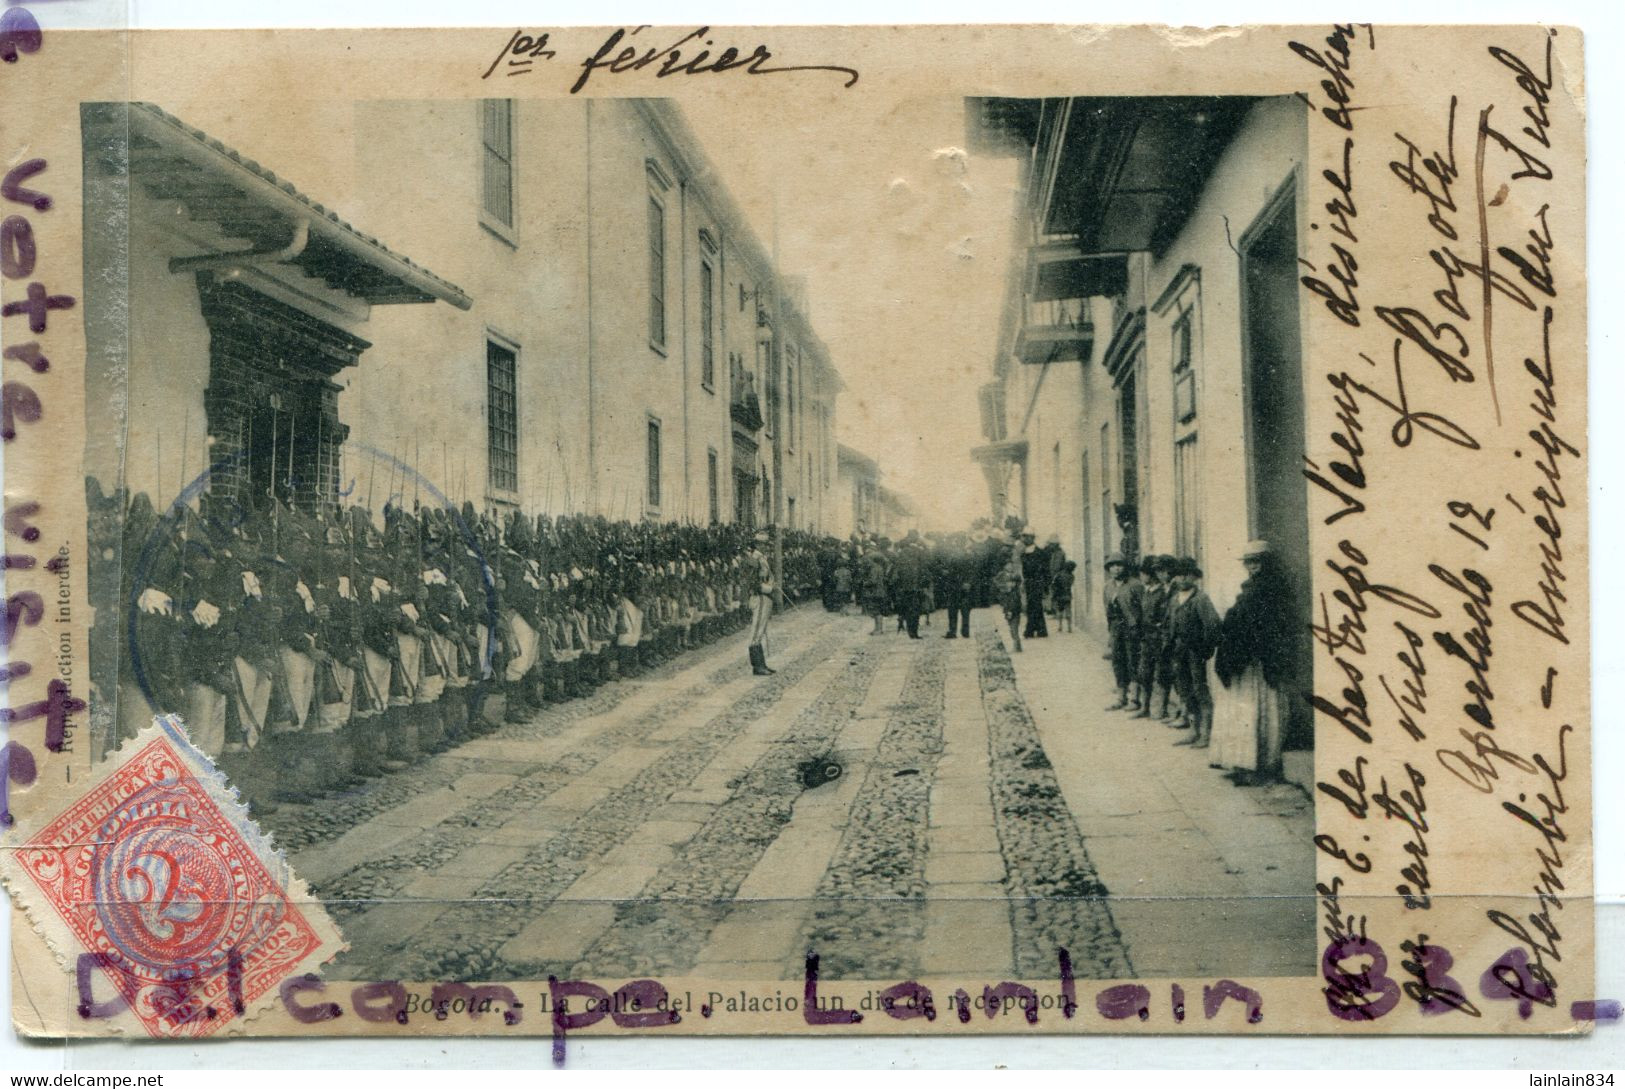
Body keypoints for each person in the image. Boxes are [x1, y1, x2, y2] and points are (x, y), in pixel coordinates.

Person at [1212, 540, 1294, 780]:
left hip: (1259, 657)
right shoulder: (1250, 587)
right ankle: (1242, 761)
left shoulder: (1271, 588)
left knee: (1257, 707)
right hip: (1246, 656)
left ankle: (1258, 764)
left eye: (1256, 561)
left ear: (1266, 562)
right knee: (1243, 709)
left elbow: (1266, 623)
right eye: (1248, 562)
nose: (1251, 566)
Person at [1167, 557, 1221, 747]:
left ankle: (1206, 733)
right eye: (1178, 575)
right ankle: (1193, 729)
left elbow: (1213, 626)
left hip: (1195, 651)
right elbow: (1170, 625)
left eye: (1185, 575)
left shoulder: (1200, 599)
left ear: (1194, 577)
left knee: (1199, 689)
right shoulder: (1174, 599)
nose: (1181, 579)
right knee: (1185, 690)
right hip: (1179, 651)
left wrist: (1205, 649)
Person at [1102, 553, 1141, 710]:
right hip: (1116, 628)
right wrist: (1111, 633)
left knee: (1133, 662)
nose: (1116, 569)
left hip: (1132, 629)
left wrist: (1138, 628)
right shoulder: (1108, 587)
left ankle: (1135, 699)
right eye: (1112, 566)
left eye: (1119, 565)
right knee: (1118, 662)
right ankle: (1121, 697)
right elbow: (1107, 610)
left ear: (1125, 567)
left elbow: (1141, 609)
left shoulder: (1135, 585)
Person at [745, 531, 776, 676]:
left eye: (766, 544)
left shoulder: (763, 558)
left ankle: (762, 663)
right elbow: (752, 582)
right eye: (762, 544)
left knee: (761, 630)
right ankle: (757, 666)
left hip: (766, 596)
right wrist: (769, 588)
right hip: (760, 596)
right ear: (756, 544)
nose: (765, 547)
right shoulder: (754, 559)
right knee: (756, 632)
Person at [992, 549, 1024, 653]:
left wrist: (1013, 584)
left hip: (1014, 600)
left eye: (1011, 565)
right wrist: (1005, 586)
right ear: (1004, 566)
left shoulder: (1016, 575)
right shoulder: (1001, 575)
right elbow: (996, 583)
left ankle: (1016, 644)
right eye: (1008, 565)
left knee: (1014, 622)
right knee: (1010, 623)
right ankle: (1017, 644)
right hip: (1006, 601)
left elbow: (1019, 583)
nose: (1010, 567)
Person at [1020, 530, 1050, 639]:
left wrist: (1046, 584)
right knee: (1032, 606)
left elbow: (1046, 570)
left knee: (1035, 605)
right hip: (1029, 582)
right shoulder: (1023, 553)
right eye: (1024, 537)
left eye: (1028, 537)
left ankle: (1032, 630)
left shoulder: (1040, 553)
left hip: (1037, 582)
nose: (1025, 539)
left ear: (1032, 538)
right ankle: (1039, 630)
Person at [1051, 559, 1075, 634]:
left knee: (1060, 611)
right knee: (1068, 611)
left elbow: (1053, 584)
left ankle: (1060, 626)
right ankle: (1069, 627)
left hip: (1059, 595)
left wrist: (1055, 593)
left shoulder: (1058, 574)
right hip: (1067, 595)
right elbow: (1071, 584)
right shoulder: (1071, 576)